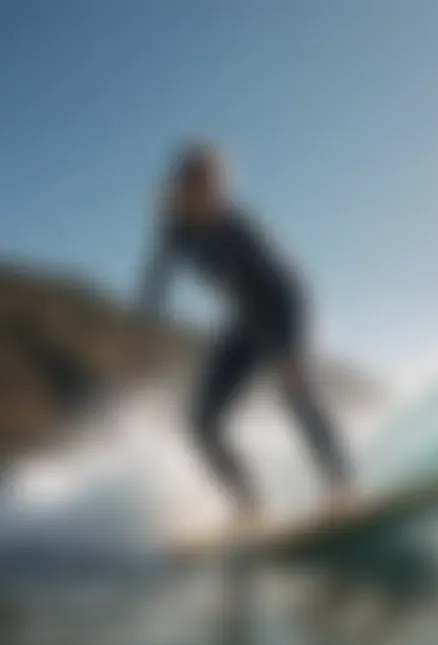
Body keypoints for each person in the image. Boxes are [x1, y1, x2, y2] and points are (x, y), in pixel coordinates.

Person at [138, 143, 352, 522]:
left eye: (221, 188)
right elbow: (157, 278)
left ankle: (343, 489)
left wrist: (293, 348)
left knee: (294, 391)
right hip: (244, 323)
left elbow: (287, 286)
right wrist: (147, 327)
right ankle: (250, 505)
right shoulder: (174, 229)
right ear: (187, 188)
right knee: (201, 422)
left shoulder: (238, 227)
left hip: (280, 310)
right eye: (207, 188)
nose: (217, 197)